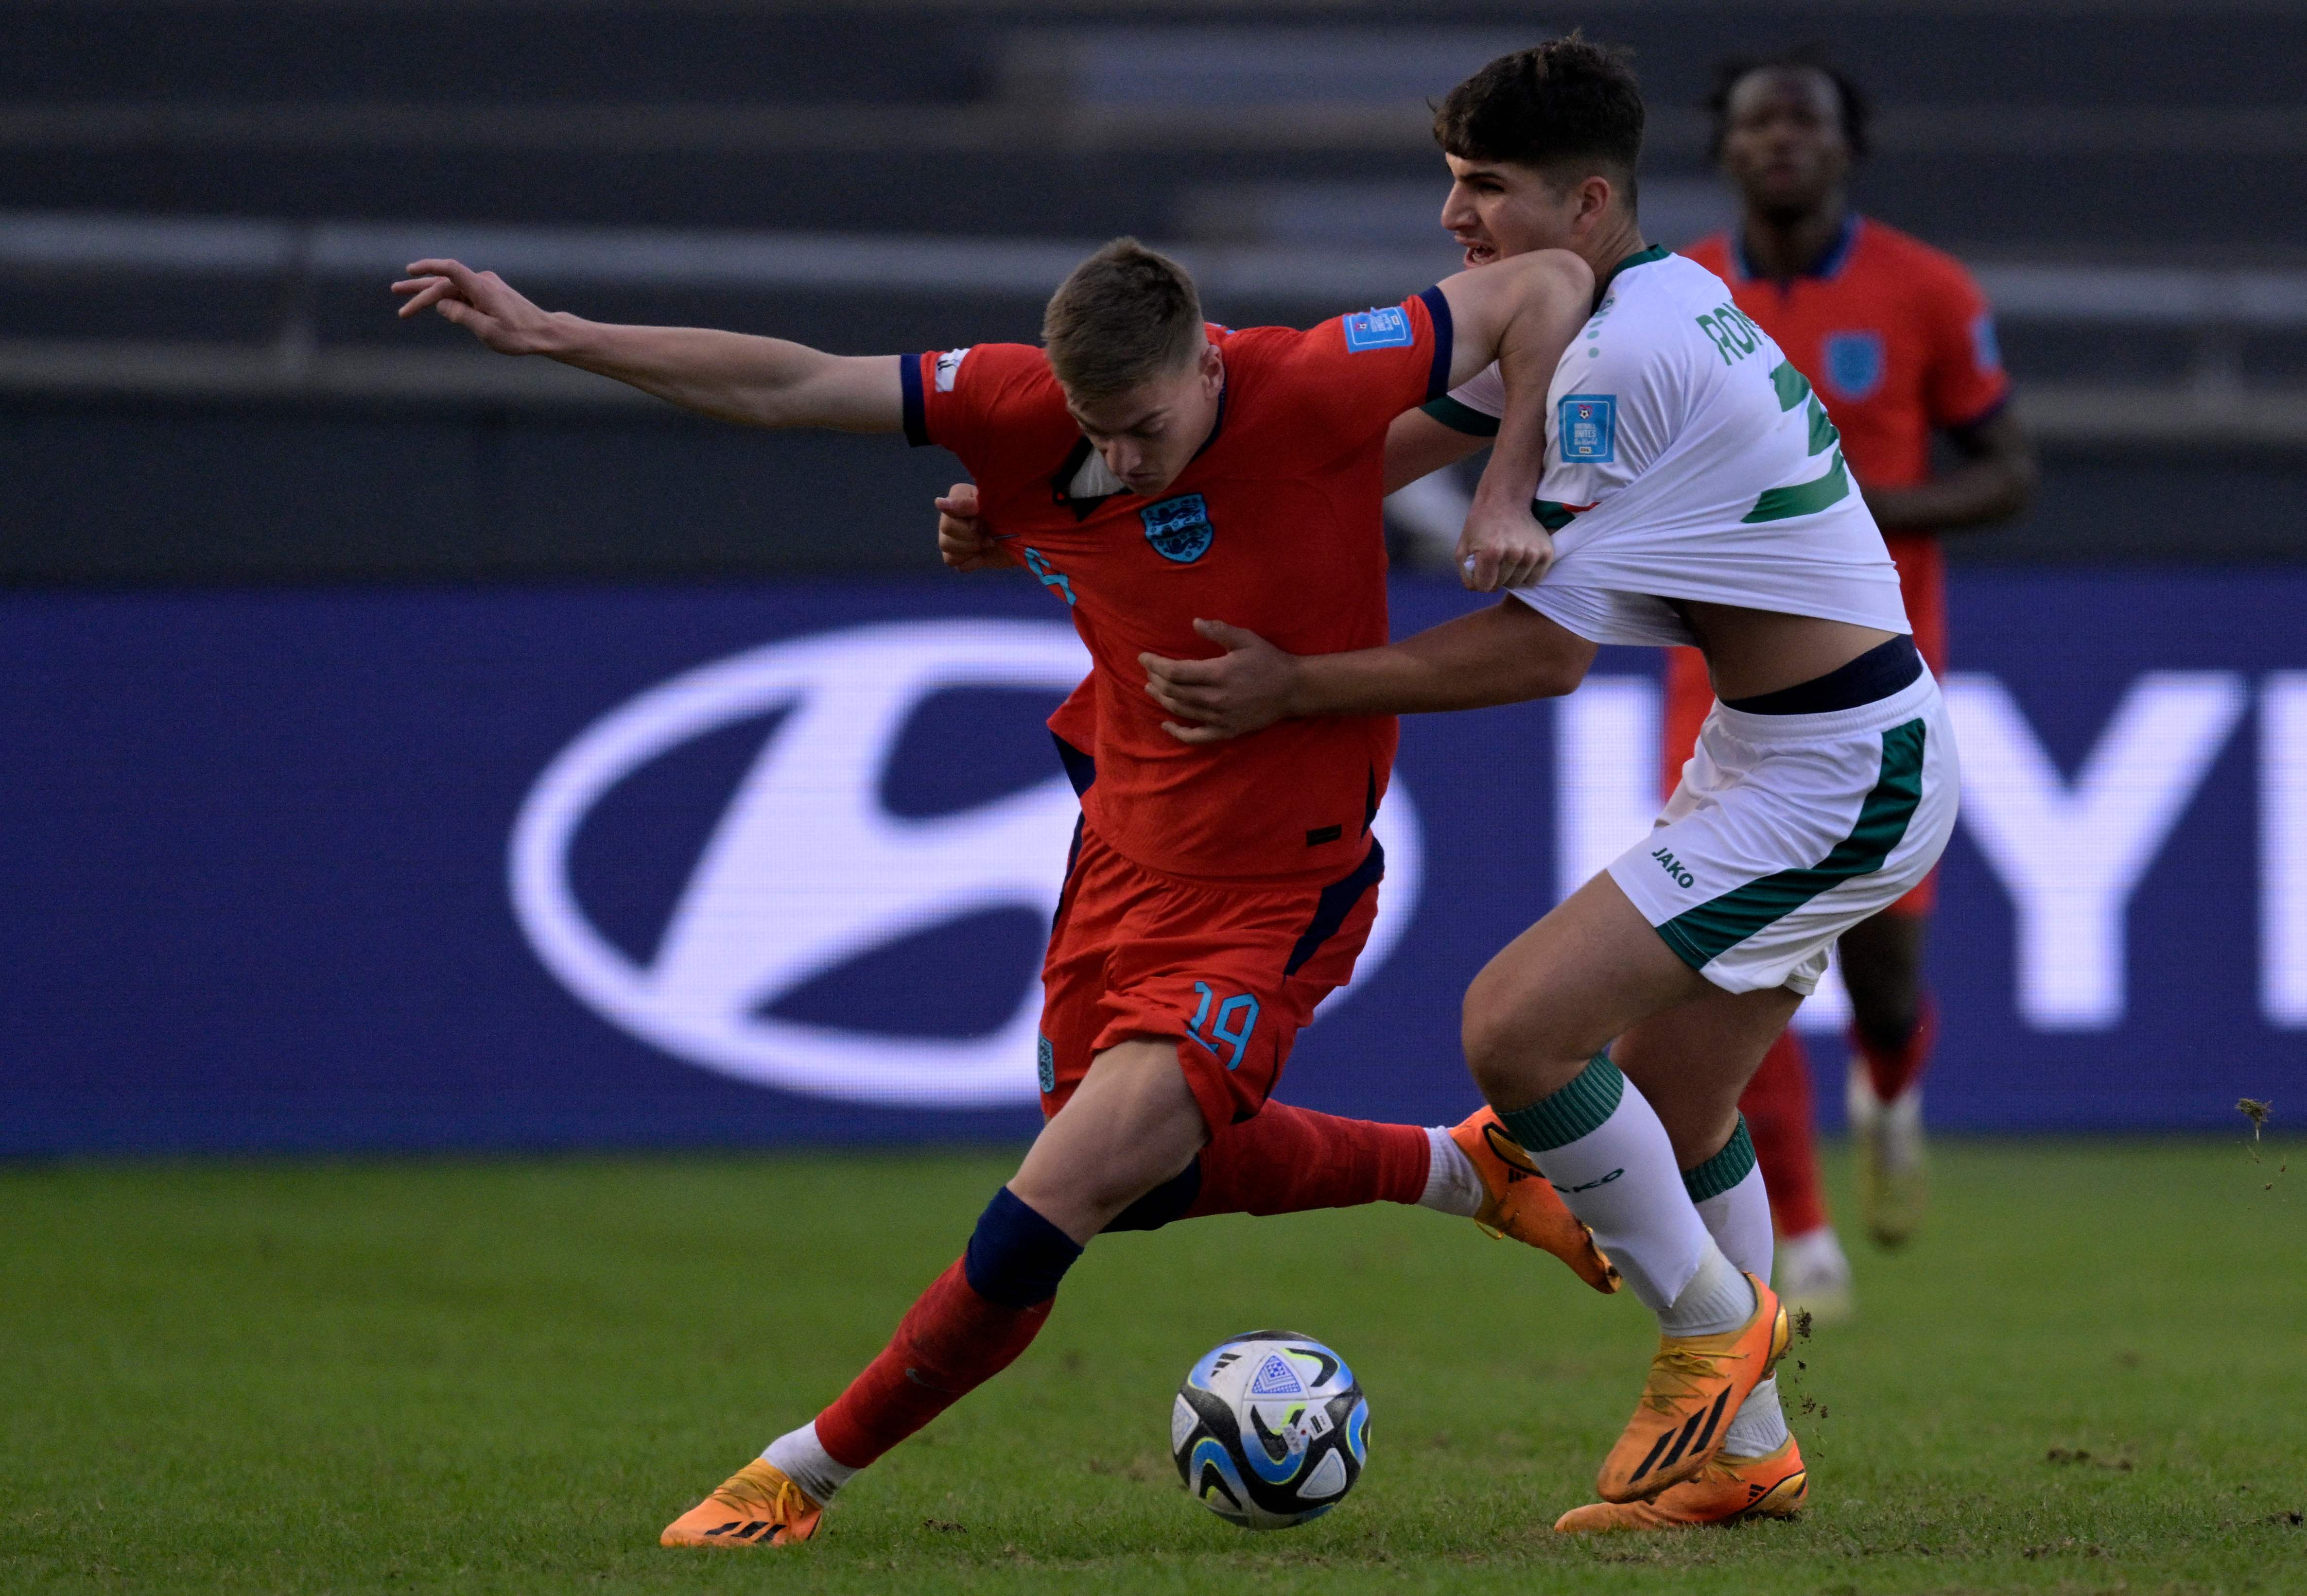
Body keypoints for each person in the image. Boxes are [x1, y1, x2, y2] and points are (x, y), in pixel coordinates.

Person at [394, 230, 1612, 1548]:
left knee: (1056, 1199)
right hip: (1120, 855)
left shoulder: (1310, 380)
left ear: (1207, 367)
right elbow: (791, 384)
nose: (1120, 457)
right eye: (1097, 430)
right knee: (1141, 1179)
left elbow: (1545, 282)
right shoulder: (1021, 409)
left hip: (1273, 888)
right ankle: (1463, 1167)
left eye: (1143, 428)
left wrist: (1509, 487)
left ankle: (797, 1476)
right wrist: (557, 332)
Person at [1119, 38, 1960, 1532]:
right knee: (1677, 1104)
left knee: (1512, 1029)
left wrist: (1292, 685)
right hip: (1796, 746)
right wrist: (1099, 505)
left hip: (1840, 769)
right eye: (1450, 182)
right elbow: (1362, 451)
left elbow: (1539, 654)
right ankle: (1747, 1452)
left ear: (1583, 204)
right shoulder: (1639, 302)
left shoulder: (1619, 360)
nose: (1454, 217)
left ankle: (1711, 1333)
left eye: (1484, 187)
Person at [1677, 52, 2036, 1283]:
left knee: (1882, 977)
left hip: (1879, 678)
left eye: (1805, 120)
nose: (1780, 138)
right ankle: (1802, 1230)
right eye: (1757, 121)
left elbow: (2009, 471)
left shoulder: (1924, 290)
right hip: (1718, 678)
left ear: (1845, 146)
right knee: (1730, 938)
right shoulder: (1677, 299)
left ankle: (1888, 1083)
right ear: (1725, 147)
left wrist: (1865, 509)